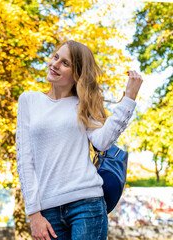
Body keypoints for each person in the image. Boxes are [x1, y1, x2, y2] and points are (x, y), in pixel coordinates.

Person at [15, 40, 143, 240]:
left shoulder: (82, 104)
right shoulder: (29, 100)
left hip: (87, 204)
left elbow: (102, 142)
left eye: (65, 63)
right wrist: (33, 215)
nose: (55, 64)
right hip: (48, 210)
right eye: (56, 57)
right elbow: (24, 161)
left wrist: (129, 98)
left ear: (78, 74)